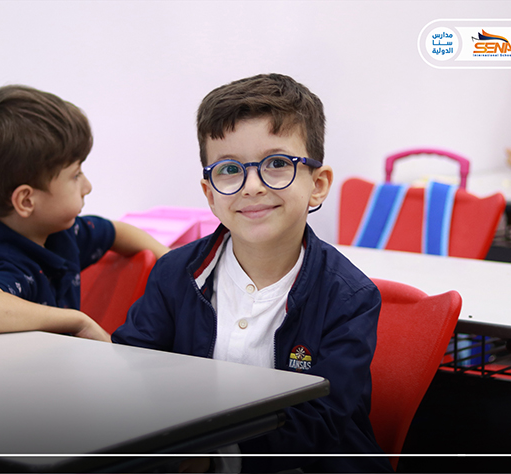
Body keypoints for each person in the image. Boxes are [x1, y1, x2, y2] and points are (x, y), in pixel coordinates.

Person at [112, 74, 392, 472]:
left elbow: (322, 420)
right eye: (229, 169)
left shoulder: (349, 296)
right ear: (210, 195)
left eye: (277, 164)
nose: (252, 186)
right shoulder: (174, 274)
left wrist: (213, 457)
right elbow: (130, 370)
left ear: (318, 184)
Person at [0, 85, 169, 342]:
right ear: (26, 200)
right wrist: (77, 321)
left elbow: (116, 232)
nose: (87, 186)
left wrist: (171, 262)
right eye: (76, 175)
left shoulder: (62, 234)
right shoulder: (4, 263)